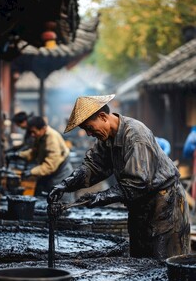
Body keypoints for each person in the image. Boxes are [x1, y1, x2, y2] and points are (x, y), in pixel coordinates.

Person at [48, 94, 190, 260]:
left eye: (89, 127)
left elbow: (138, 183)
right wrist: (66, 184)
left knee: (164, 263)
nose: (88, 134)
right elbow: (92, 166)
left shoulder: (136, 136)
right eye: (85, 130)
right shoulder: (106, 137)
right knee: (140, 261)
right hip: (139, 205)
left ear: (102, 117)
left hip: (164, 204)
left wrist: (100, 197)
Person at [7, 116, 74, 198]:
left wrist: (32, 172)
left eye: (33, 132)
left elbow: (50, 166)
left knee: (60, 199)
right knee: (41, 193)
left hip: (60, 173)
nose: (32, 135)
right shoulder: (40, 136)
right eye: (30, 132)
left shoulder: (52, 139)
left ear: (43, 128)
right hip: (51, 172)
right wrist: (18, 155)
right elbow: (34, 152)